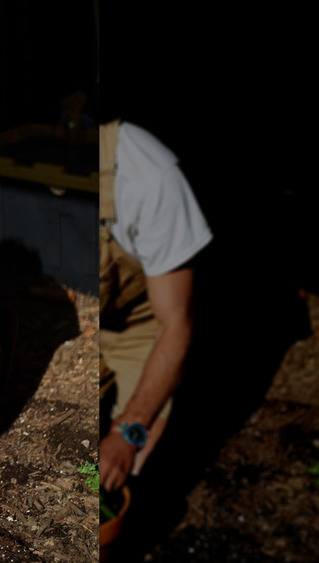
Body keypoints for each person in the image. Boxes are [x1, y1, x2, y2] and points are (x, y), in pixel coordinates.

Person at [97, 119, 212, 494]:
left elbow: (176, 325)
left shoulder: (151, 176)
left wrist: (127, 434)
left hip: (142, 325)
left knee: (129, 466)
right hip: (95, 326)